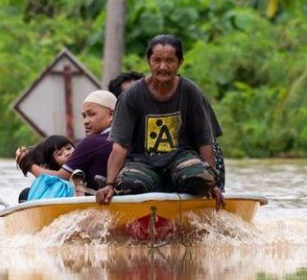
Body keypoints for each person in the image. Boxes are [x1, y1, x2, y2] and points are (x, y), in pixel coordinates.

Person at [96, 35, 225, 209]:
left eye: (170, 61)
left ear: (179, 62)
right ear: (149, 61)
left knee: (200, 178)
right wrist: (110, 184)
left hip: (182, 158)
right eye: (157, 60)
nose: (163, 67)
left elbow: (205, 141)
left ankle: (184, 199)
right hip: (142, 161)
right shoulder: (132, 95)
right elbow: (120, 147)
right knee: (129, 185)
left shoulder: (190, 91)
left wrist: (212, 184)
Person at [109, 70, 227, 190]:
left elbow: (209, 151)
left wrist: (214, 186)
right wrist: (110, 184)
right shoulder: (117, 139)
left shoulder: (189, 102)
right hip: (144, 174)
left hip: (185, 172)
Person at [15, 90, 118, 198]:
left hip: (95, 203)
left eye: (92, 114)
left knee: (25, 195)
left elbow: (60, 177)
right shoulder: (127, 138)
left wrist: (28, 164)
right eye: (84, 116)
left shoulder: (92, 142)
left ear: (111, 114)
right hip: (118, 196)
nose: (86, 121)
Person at [16, 135, 75, 202]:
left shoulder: (80, 159)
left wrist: (26, 161)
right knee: (25, 194)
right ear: (53, 162)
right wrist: (26, 157)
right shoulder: (53, 178)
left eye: (69, 148)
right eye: (59, 154)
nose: (67, 153)